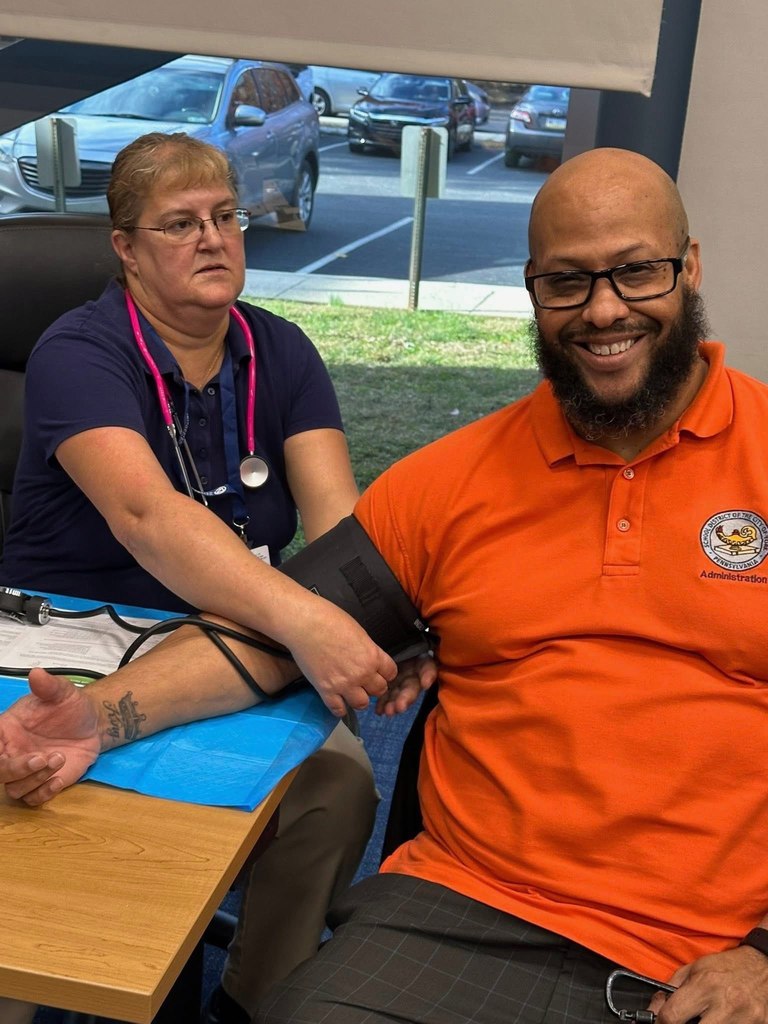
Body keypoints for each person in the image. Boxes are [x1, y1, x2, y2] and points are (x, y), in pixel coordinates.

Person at [2, 145, 768, 1024]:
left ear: (690, 267)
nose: (603, 310)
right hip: (468, 909)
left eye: (636, 272)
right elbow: (279, 622)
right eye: (567, 282)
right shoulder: (450, 483)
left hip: (721, 940)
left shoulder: (278, 352)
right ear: (531, 291)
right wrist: (94, 719)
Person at [0, 132, 399, 1024]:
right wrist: (309, 622)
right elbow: (149, 518)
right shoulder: (78, 351)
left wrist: (347, 617)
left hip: (239, 647)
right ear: (127, 249)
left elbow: (341, 535)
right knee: (26, 794)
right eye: (179, 224)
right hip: (67, 641)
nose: (214, 239)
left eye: (226, 216)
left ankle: (256, 1001)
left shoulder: (284, 353)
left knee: (338, 793)